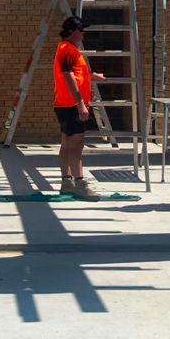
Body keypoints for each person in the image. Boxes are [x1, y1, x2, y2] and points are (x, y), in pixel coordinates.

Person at [53, 15, 105, 200]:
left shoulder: (69, 49)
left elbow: (77, 72)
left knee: (67, 144)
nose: (83, 33)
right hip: (71, 105)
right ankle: (79, 184)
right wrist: (80, 103)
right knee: (76, 145)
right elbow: (68, 76)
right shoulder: (67, 48)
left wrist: (92, 76)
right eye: (80, 30)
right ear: (71, 31)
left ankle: (67, 182)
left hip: (66, 104)